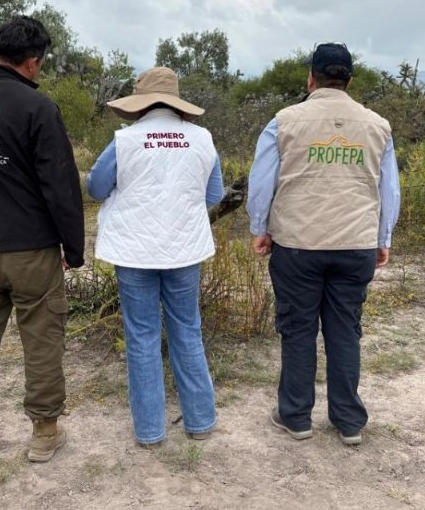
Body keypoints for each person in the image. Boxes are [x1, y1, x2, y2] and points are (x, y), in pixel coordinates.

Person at [246, 42, 400, 446]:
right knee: (345, 330)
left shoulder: (283, 121)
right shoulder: (378, 126)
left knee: (298, 330)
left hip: (297, 244)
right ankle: (349, 422)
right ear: (349, 80)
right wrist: (382, 237)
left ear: (310, 78)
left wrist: (260, 227)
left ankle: (296, 417)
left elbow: (261, 182)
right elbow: (389, 189)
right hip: (356, 244)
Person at [0, 15, 85, 464]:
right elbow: (60, 184)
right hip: (31, 249)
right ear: (32, 62)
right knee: (42, 343)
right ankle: (44, 433)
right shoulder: (37, 107)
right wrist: (73, 248)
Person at [87, 67, 223, 447]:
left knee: (142, 336)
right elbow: (214, 194)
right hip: (185, 250)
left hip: (134, 252)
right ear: (177, 103)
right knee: (188, 330)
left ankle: (150, 432)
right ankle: (200, 421)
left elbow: (96, 187)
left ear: (141, 104)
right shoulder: (202, 139)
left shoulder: (125, 140)